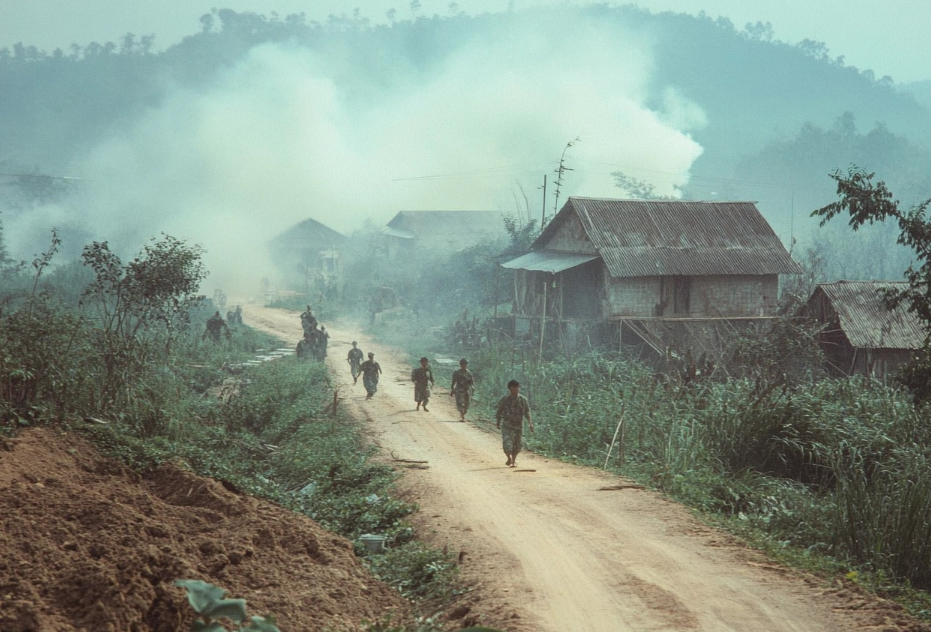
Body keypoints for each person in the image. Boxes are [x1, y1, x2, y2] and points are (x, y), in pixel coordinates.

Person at [495, 379, 534, 468]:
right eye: (514, 388)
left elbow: (527, 412)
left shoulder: (523, 400)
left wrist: (530, 423)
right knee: (507, 443)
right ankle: (509, 457)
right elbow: (499, 411)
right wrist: (497, 422)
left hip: (518, 426)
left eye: (518, 388)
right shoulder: (504, 399)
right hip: (507, 425)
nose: (517, 390)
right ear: (510, 388)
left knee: (518, 444)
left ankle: (513, 460)